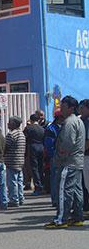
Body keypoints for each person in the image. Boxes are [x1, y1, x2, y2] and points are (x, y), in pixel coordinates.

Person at [45, 96, 85, 228]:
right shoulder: (78, 121)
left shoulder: (69, 122)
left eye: (63, 106)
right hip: (77, 162)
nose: (60, 109)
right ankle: (78, 216)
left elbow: (67, 143)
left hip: (68, 162)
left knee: (63, 190)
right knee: (76, 190)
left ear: (71, 108)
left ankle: (61, 219)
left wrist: (60, 157)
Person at [44, 109, 64, 210]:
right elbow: (49, 145)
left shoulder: (63, 127)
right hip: (55, 158)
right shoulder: (51, 129)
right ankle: (55, 200)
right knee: (55, 179)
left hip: (63, 158)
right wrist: (55, 156)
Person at [4, 116, 26, 208]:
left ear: (14, 124)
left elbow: (5, 147)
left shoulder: (11, 134)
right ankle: (20, 198)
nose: (8, 124)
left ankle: (14, 199)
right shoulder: (21, 134)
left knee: (12, 182)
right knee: (19, 181)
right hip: (20, 160)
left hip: (12, 161)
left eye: (9, 122)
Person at [23, 113, 45, 195]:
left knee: (34, 168)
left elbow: (24, 139)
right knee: (40, 167)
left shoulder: (28, 128)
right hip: (41, 147)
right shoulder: (42, 129)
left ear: (31, 120)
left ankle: (38, 187)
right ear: (38, 120)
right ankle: (42, 184)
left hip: (32, 148)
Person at [80, 99, 89, 214]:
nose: (80, 110)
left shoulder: (87, 121)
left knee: (87, 184)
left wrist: (79, 151)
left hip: (87, 156)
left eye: (82, 108)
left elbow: (87, 141)